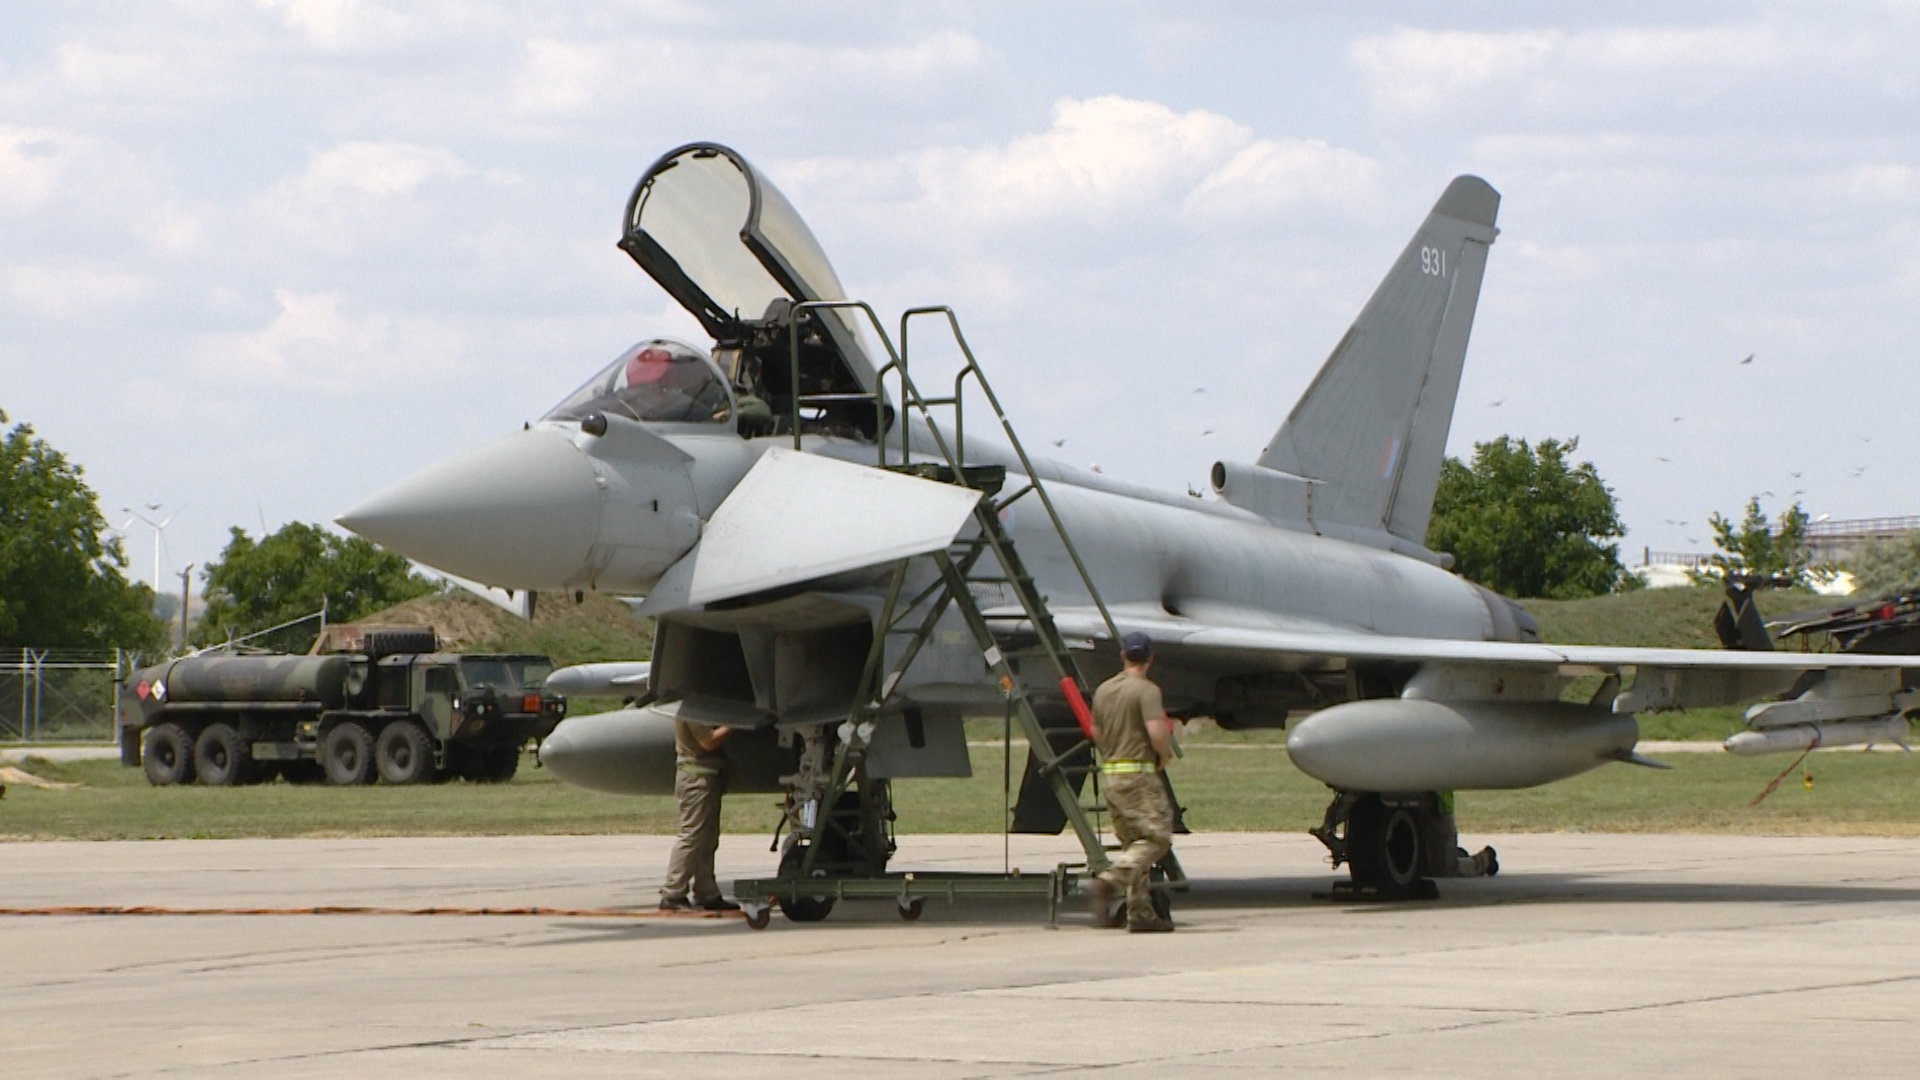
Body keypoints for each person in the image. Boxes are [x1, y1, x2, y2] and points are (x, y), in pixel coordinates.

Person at [1085, 632, 1177, 932]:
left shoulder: (1103, 690)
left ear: (1123, 655)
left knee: (1134, 845)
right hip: (1138, 774)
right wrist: (1162, 755)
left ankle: (1140, 913)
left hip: (1111, 773)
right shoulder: (1146, 691)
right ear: (1150, 658)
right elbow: (1156, 732)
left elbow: (1095, 731)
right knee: (1157, 838)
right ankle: (1109, 882)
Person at [660, 719, 739, 912]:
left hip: (706, 777)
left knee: (708, 838)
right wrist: (735, 723)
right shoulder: (693, 710)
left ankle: (707, 892)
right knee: (692, 837)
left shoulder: (700, 707)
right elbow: (707, 741)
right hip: (696, 779)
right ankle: (673, 894)